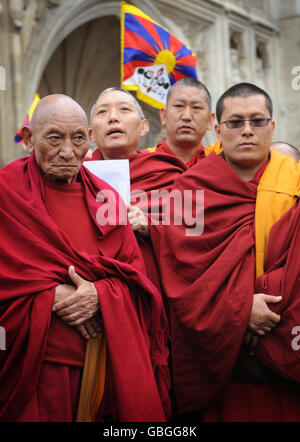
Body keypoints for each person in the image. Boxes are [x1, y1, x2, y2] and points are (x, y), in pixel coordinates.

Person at [0, 94, 170, 422]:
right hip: (28, 370)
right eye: (54, 138)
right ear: (28, 140)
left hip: (99, 368)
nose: (67, 151)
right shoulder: (7, 192)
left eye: (77, 138)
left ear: (89, 139)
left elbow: (138, 283)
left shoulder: (105, 198)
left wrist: (101, 296)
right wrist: (46, 295)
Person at [159, 82, 300, 421]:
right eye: (235, 123)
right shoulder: (191, 190)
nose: (247, 131)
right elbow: (181, 274)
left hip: (289, 355)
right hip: (228, 370)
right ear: (218, 129)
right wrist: (240, 309)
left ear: (273, 126)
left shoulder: (296, 181)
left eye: (257, 121)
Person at [88, 87, 187, 289]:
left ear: (144, 127)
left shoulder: (167, 173)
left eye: (124, 109)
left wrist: (150, 226)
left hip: (154, 289)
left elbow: (197, 233)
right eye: (102, 112)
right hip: (95, 292)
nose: (113, 118)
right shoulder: (76, 179)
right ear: (91, 133)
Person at [147, 78, 222, 167]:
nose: (187, 116)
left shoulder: (219, 161)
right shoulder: (144, 160)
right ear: (164, 116)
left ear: (210, 121)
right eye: (179, 106)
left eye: (196, 107)